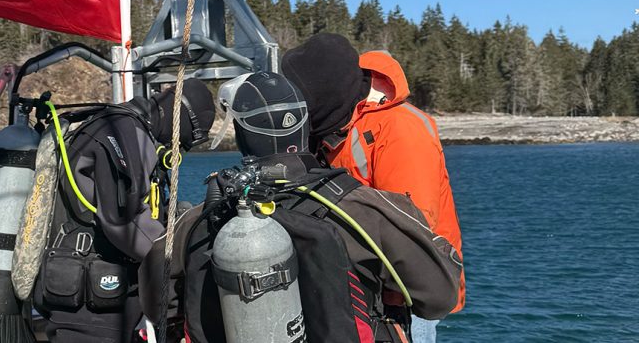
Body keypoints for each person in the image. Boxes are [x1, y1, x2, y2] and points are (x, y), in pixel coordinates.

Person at [139, 71, 463, 343]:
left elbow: (157, 299)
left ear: (240, 134)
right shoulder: (363, 210)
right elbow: (439, 298)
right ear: (306, 125)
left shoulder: (200, 220)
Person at [281, 34, 465, 341]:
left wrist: (388, 300)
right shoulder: (335, 126)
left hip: (405, 300)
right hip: (355, 290)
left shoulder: (400, 130)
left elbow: (413, 228)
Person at [32, 79, 216, 343]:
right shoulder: (120, 131)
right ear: (184, 120)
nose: (182, 150)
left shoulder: (127, 129)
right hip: (89, 305)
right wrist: (178, 254)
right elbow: (123, 220)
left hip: (97, 296)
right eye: (189, 140)